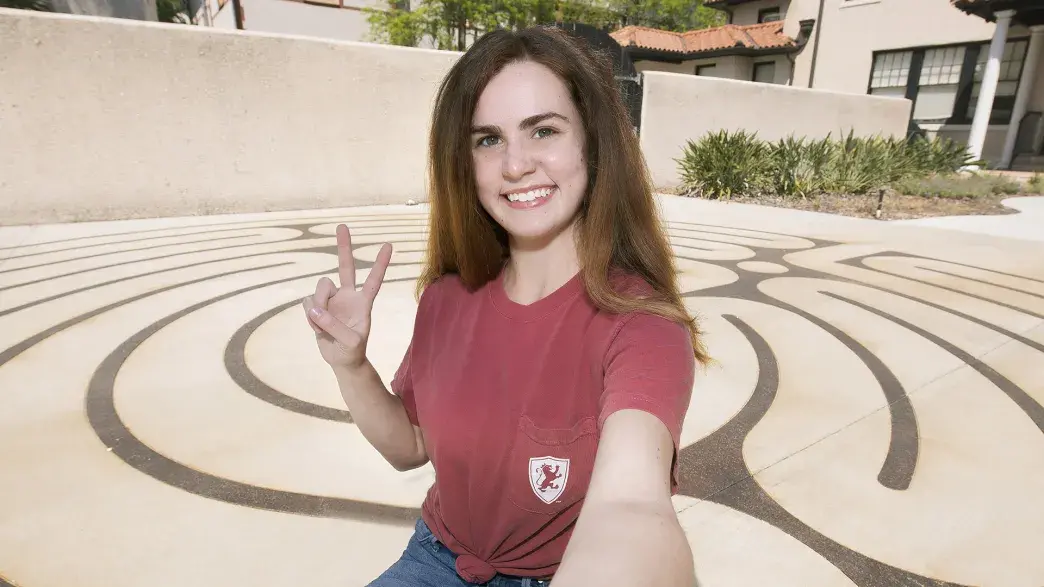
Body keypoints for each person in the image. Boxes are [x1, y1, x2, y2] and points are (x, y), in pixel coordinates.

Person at [302, 25, 708, 587]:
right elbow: (410, 445)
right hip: (435, 558)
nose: (516, 165)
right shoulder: (446, 298)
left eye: (543, 130)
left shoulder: (643, 327)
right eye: (488, 139)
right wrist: (350, 365)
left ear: (593, 140)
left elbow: (633, 506)